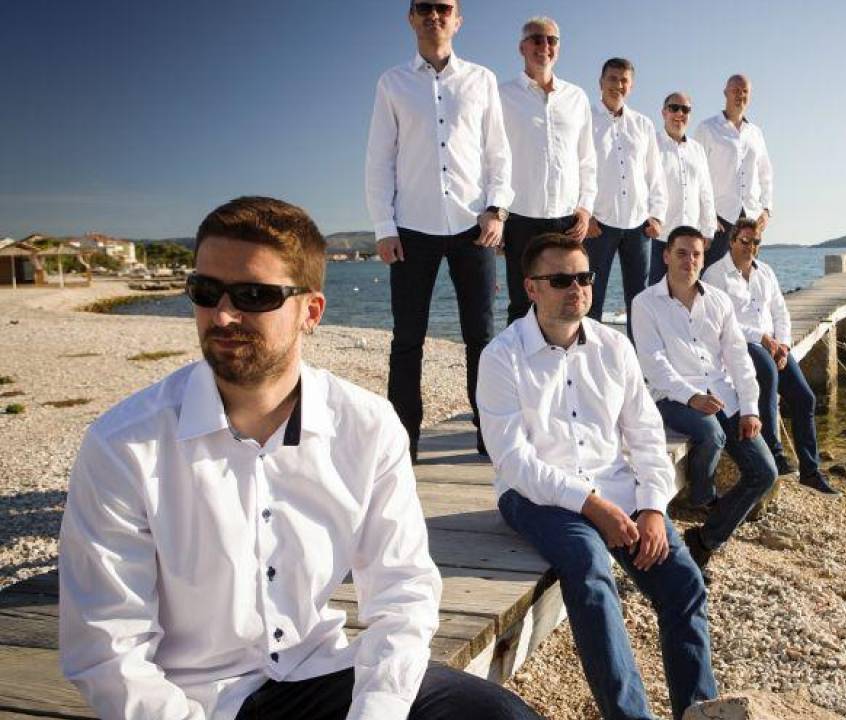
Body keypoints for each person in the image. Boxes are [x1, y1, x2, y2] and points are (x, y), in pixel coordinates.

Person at [59, 196, 540, 720]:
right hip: (191, 698)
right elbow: (109, 649)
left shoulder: (367, 427)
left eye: (254, 295)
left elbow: (402, 593)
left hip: (317, 670)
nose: (222, 315)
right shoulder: (124, 445)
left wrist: (376, 711)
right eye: (206, 291)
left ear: (310, 312)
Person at [477, 233, 717, 720]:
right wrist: (592, 506)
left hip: (616, 486)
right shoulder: (501, 356)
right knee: (589, 565)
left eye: (584, 277)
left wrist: (653, 507)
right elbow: (514, 460)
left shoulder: (614, 347)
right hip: (534, 495)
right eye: (560, 280)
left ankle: (699, 713)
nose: (577, 288)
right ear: (531, 288)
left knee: (684, 583)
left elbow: (646, 434)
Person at [366, 0, 512, 457]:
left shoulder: (482, 79)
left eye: (444, 8)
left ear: (457, 20)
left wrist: (497, 210)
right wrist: (384, 226)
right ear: (411, 17)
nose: (434, 15)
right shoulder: (392, 83)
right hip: (411, 228)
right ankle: (403, 443)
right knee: (407, 340)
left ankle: (490, 439)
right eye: (424, 7)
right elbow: (379, 159)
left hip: (474, 227)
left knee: (481, 338)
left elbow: (498, 153)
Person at [631, 227, 778, 570]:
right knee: (712, 433)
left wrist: (750, 409)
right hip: (672, 396)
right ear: (666, 256)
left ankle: (704, 540)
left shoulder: (719, 300)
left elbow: (739, 358)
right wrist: (692, 396)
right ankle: (700, 499)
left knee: (765, 472)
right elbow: (654, 364)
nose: (690, 260)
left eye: (696, 254)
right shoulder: (645, 303)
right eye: (682, 253)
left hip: (722, 394)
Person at [704, 218, 836, 494]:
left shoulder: (765, 272)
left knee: (805, 397)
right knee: (766, 371)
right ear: (732, 241)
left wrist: (784, 345)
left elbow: (780, 312)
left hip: (773, 345)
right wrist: (762, 337)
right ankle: (775, 454)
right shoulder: (715, 276)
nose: (750, 247)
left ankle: (810, 471)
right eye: (745, 241)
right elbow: (721, 323)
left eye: (756, 242)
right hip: (738, 344)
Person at [499, 16, 597, 326]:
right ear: (522, 48)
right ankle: (520, 358)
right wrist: (495, 212)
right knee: (522, 303)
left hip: (567, 220)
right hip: (519, 217)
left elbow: (587, 160)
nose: (544, 45)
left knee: (570, 300)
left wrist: (585, 209)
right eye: (537, 39)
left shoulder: (577, 97)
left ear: (559, 47)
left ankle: (568, 357)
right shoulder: (501, 95)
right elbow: (490, 158)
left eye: (551, 40)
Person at [585, 58, 666, 337]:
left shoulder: (643, 125)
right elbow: (575, 168)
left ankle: (637, 358)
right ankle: (590, 354)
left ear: (631, 86)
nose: (618, 85)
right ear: (601, 82)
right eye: (612, 78)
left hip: (638, 225)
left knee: (639, 300)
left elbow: (655, 175)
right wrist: (584, 214)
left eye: (624, 80)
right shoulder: (585, 119)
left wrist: (657, 216)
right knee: (591, 295)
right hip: (598, 224)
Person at [693, 74, 774, 269]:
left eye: (745, 91)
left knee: (747, 274)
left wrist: (766, 210)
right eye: (736, 90)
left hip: (751, 217)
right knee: (712, 274)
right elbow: (695, 174)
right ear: (725, 93)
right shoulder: (707, 128)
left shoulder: (755, 133)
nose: (740, 95)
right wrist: (706, 216)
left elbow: (766, 173)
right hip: (719, 218)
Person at [651, 91, 716, 286]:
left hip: (691, 241)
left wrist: (708, 230)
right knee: (656, 293)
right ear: (664, 112)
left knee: (690, 293)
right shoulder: (651, 144)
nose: (680, 113)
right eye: (674, 108)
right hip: (659, 238)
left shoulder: (697, 149)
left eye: (685, 109)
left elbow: (705, 191)